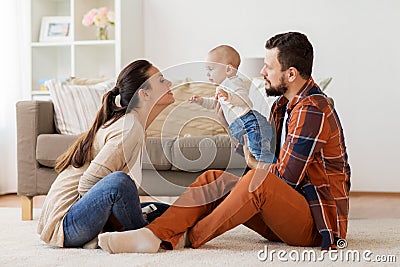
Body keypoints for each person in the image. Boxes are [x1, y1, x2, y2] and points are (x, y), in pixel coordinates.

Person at [98, 32, 351, 253]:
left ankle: (184, 238)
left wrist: (253, 166)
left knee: (256, 181)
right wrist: (227, 123)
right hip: (285, 210)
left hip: (318, 225)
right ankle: (153, 234)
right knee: (214, 179)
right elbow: (258, 157)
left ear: (291, 74)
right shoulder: (282, 107)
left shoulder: (312, 109)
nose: (262, 72)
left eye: (268, 67)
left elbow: (287, 177)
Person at [37, 59, 175, 248]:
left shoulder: (132, 124)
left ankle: (139, 231)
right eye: (161, 80)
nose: (169, 84)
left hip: (79, 217)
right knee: (120, 182)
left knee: (166, 212)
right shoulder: (129, 127)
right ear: (144, 94)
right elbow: (88, 185)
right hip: (66, 225)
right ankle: (143, 236)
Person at [189, 45, 275, 163]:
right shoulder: (221, 88)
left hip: (248, 122)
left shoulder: (233, 82)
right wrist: (201, 101)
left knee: (258, 152)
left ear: (228, 70)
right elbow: (214, 104)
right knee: (252, 151)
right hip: (238, 126)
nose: (207, 74)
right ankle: (269, 171)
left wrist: (229, 97)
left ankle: (274, 171)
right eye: (206, 70)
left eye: (211, 69)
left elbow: (245, 100)